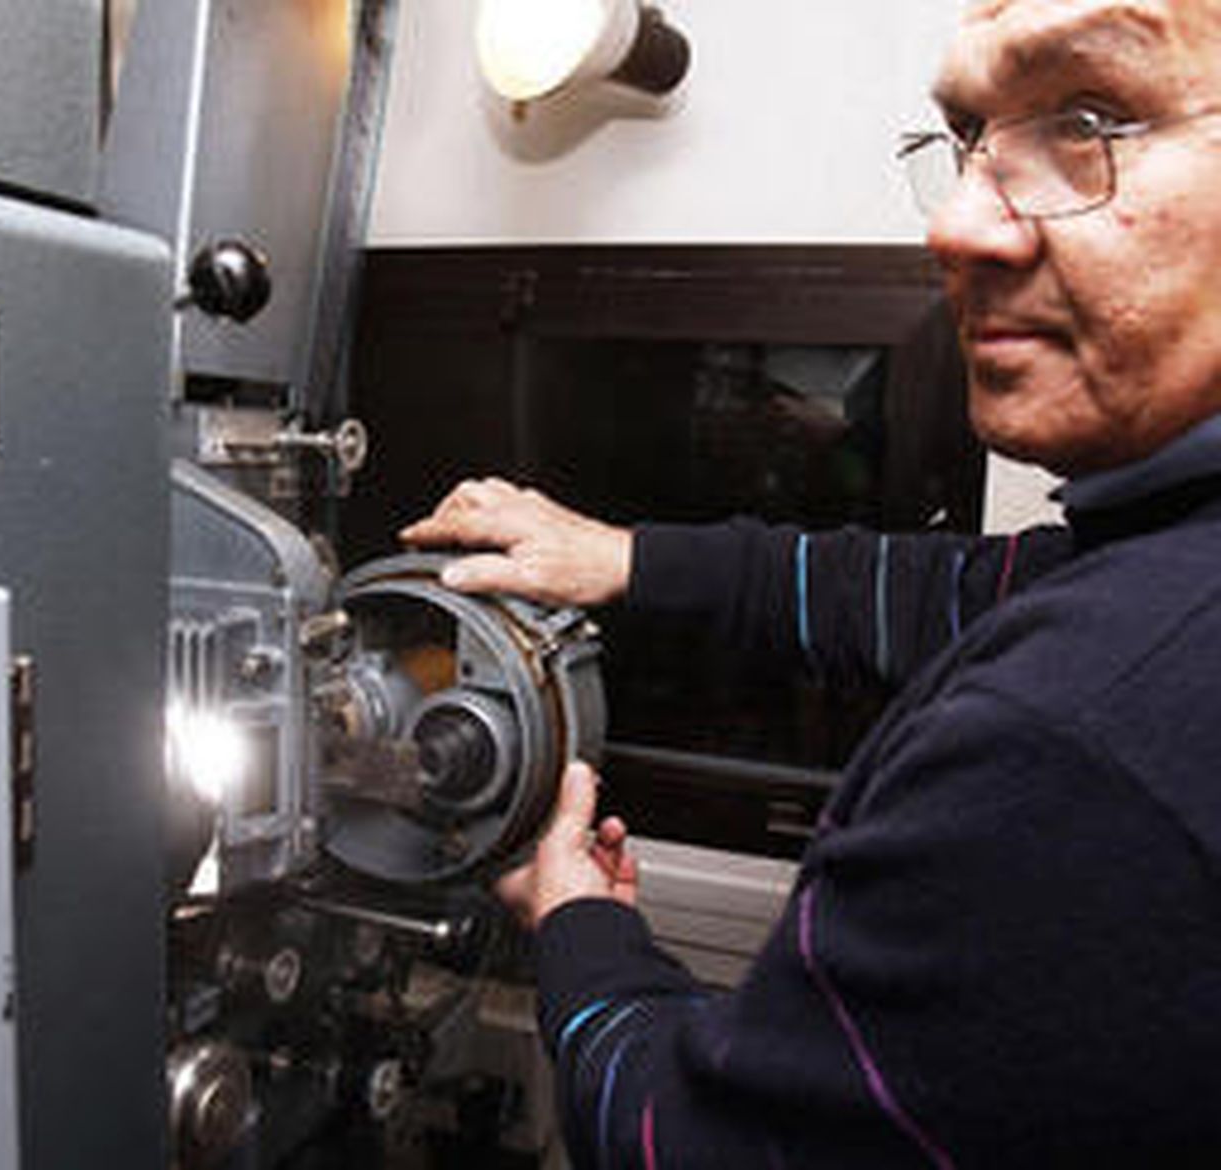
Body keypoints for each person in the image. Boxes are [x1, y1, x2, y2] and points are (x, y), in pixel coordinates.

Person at [399, 1, 1221, 1165]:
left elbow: (687, 1145)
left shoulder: (1077, 743)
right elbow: (960, 594)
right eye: (970, 136)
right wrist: (627, 557)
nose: (955, 225)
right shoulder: (1155, 558)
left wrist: (580, 933)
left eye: (1089, 119)